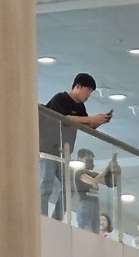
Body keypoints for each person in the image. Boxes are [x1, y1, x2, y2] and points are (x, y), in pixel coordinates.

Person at [43, 73, 111, 219]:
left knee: (69, 187)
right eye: (88, 91)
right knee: (47, 182)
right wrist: (92, 118)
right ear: (78, 87)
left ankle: (57, 217)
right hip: (48, 148)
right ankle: (41, 215)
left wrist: (100, 120)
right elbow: (66, 119)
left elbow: (87, 125)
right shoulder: (60, 98)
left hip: (63, 151)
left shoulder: (80, 107)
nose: (88, 95)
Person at [73, 148, 110, 232]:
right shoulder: (79, 173)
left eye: (91, 159)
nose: (90, 161)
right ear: (80, 159)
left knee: (95, 232)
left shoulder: (94, 174)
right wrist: (106, 169)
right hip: (86, 203)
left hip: (95, 205)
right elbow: (93, 181)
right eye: (88, 158)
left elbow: (106, 181)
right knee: (86, 231)